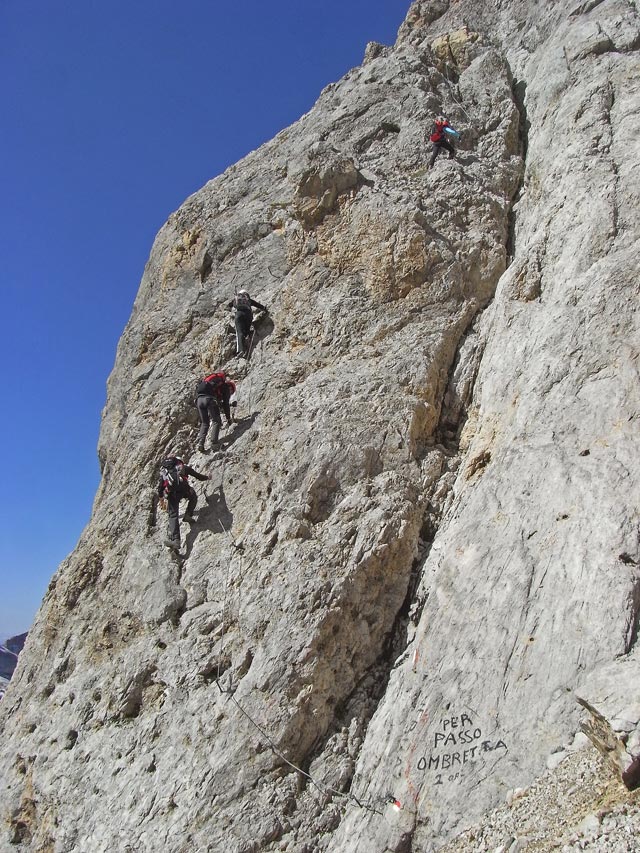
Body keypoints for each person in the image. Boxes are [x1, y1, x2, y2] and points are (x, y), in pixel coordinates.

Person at [158, 457, 211, 551]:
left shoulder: (165, 471)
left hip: (172, 493)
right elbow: (198, 476)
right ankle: (188, 514)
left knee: (173, 515)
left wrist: (161, 497)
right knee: (193, 496)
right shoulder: (184, 468)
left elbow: (161, 485)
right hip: (184, 490)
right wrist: (207, 477)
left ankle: (176, 540)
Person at [195, 372, 236, 453]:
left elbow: (219, 405)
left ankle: (200, 444)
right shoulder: (226, 387)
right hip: (209, 399)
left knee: (204, 423)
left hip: (199, 400)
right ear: (231, 388)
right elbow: (225, 404)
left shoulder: (215, 387)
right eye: (231, 392)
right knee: (216, 421)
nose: (230, 394)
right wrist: (228, 419)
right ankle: (214, 443)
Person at [228, 289, 267, 356]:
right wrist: (264, 308)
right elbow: (258, 305)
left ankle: (241, 350)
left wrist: (231, 304)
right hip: (249, 315)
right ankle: (248, 342)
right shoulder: (248, 300)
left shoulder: (237, 298)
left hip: (239, 314)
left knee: (239, 332)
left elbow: (229, 305)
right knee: (246, 331)